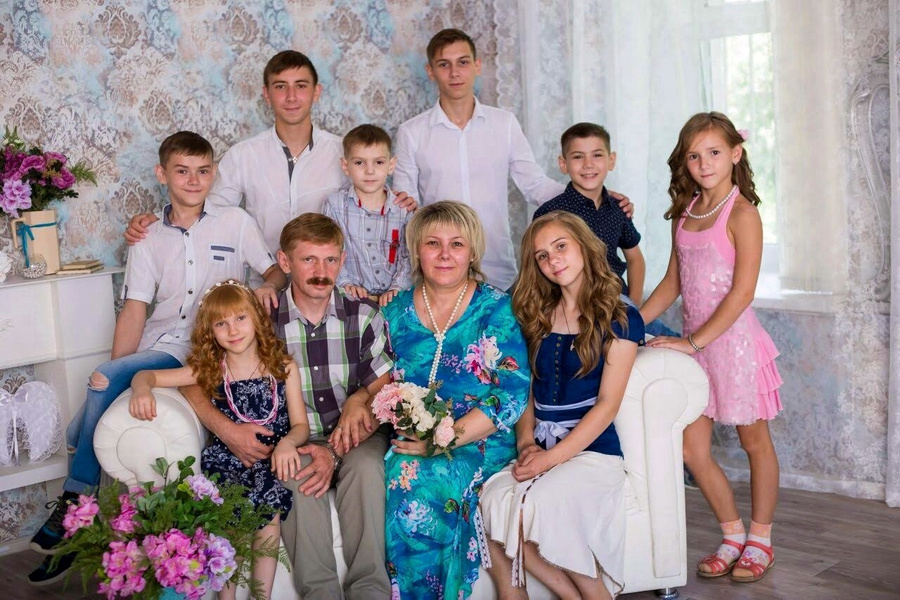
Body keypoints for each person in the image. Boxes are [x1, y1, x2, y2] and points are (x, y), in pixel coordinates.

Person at [27, 131, 282, 586]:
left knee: (86, 409)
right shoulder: (146, 235)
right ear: (162, 174)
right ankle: (78, 514)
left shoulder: (235, 222)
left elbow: (275, 270)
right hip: (160, 346)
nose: (194, 180)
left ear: (213, 174)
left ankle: (74, 503)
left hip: (208, 347)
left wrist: (268, 286)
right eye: (182, 171)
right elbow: (135, 308)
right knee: (103, 381)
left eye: (203, 171)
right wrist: (115, 378)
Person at [183, 213, 394, 599]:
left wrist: (359, 398)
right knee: (295, 476)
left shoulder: (363, 314)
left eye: (330, 260)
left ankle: (370, 591)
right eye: (308, 259)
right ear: (284, 261)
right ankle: (320, 594)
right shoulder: (260, 319)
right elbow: (196, 377)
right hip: (293, 439)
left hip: (356, 433)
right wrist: (226, 429)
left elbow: (383, 379)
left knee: (366, 469)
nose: (321, 271)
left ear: (343, 260)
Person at [122, 51, 416, 291]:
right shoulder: (243, 155)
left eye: (301, 85)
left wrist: (400, 201)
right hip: (264, 290)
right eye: (280, 86)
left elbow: (372, 201)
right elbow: (207, 210)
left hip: (331, 288)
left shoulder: (346, 154)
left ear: (317, 92)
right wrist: (159, 218)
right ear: (266, 94)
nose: (291, 96)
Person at [641, 112, 783, 583]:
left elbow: (742, 293)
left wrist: (692, 342)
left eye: (714, 153)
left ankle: (760, 539)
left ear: (736, 154)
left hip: (735, 348)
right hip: (694, 353)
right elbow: (672, 283)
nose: (704, 163)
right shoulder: (685, 213)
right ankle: (732, 533)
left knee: (754, 442)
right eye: (694, 156)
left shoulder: (743, 215)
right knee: (691, 449)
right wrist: (629, 321)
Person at [394, 29, 636, 291]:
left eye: (463, 62)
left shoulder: (504, 124)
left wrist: (592, 195)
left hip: (497, 267)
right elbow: (405, 207)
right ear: (430, 71)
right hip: (441, 269)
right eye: (444, 64)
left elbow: (535, 185)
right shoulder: (412, 132)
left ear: (477, 66)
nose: (454, 72)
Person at [480, 211, 643, 599]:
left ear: (583, 247)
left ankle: (595, 594)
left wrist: (550, 461)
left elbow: (607, 406)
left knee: (534, 506)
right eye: (542, 255)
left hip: (592, 452)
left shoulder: (619, 315)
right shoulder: (534, 314)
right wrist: (526, 444)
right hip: (541, 446)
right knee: (493, 500)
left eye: (560, 247)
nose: (553, 260)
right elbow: (525, 392)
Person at [381, 201, 531, 599]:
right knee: (403, 467)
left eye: (457, 244)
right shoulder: (394, 313)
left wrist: (444, 439)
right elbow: (374, 380)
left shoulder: (495, 310)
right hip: (413, 439)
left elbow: (513, 392)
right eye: (433, 243)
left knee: (425, 478)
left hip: (480, 440)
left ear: (472, 252)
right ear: (417, 251)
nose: (445, 254)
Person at [129, 281, 310, 600]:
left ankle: (261, 596)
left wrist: (287, 443)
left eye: (240, 318)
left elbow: (300, 426)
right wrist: (142, 389)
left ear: (256, 318)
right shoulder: (211, 371)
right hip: (227, 461)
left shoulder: (283, 367)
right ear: (210, 331)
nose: (233, 330)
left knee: (268, 515)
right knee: (232, 519)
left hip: (269, 461)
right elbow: (147, 375)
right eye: (221, 323)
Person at [535, 122, 678, 339]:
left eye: (597, 155)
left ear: (611, 160)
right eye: (578, 157)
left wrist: (634, 306)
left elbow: (635, 259)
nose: (588, 164)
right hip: (574, 307)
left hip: (617, 301)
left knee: (671, 340)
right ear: (563, 164)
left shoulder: (618, 208)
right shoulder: (551, 213)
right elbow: (540, 270)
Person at [322, 124, 412, 307]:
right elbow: (329, 250)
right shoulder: (335, 205)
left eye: (378, 162)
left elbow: (408, 255)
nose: (369, 171)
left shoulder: (403, 209)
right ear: (345, 166)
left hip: (395, 300)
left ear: (391, 165)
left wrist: (397, 288)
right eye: (359, 163)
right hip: (350, 298)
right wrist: (345, 283)